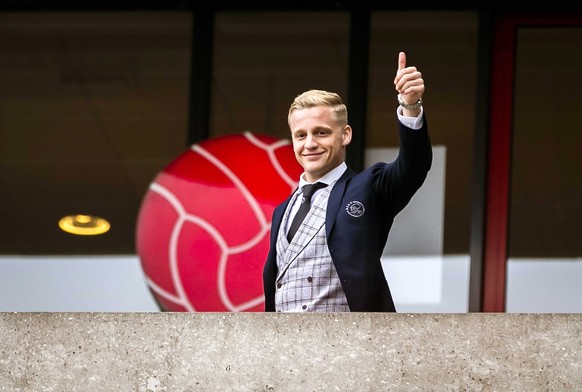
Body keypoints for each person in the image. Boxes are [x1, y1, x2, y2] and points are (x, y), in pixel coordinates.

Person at [263, 52, 432, 312]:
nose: (309, 144)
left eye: (321, 132)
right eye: (300, 135)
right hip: (285, 347)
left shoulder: (369, 188)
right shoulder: (282, 211)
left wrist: (410, 106)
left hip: (350, 344)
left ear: (345, 135)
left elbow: (413, 167)